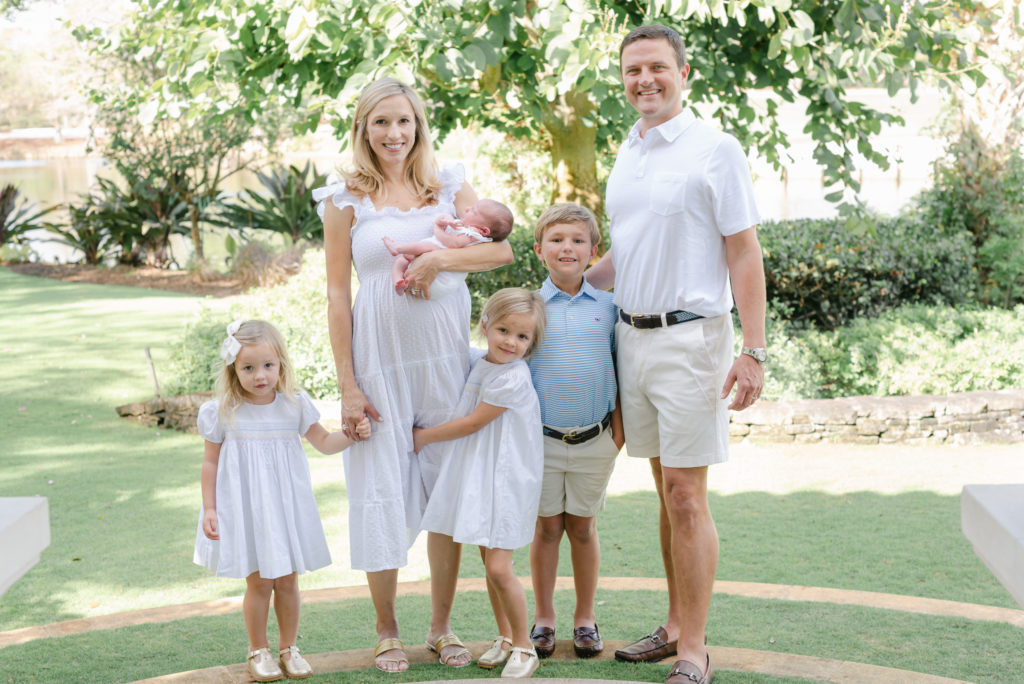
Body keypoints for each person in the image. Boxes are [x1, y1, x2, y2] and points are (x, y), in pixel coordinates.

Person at [313, 76, 514, 673]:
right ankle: (386, 630)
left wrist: (436, 258)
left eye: (404, 121)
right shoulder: (344, 199)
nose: (394, 134)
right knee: (379, 492)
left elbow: (500, 251)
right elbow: (335, 294)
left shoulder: (448, 184)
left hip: (447, 367)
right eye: (381, 123)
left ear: (418, 125)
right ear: (363, 129)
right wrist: (348, 386)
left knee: (446, 498)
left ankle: (443, 628)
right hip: (379, 370)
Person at [586, 24, 767, 684]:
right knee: (666, 495)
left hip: (693, 341)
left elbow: (743, 251)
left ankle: (694, 650)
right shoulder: (627, 153)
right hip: (631, 340)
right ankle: (670, 627)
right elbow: (626, 253)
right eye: (633, 70)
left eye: (658, 68)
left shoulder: (715, 149)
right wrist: (559, 287)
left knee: (687, 497)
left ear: (684, 74)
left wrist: (754, 352)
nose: (645, 80)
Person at [194, 319, 371, 682]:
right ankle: (258, 650)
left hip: (285, 507)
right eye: (248, 368)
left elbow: (324, 443)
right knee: (259, 581)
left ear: (281, 365)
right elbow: (210, 462)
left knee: (288, 580)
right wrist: (210, 508)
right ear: (233, 368)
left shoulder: (294, 405)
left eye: (268, 366)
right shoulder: (223, 411)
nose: (260, 375)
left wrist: (351, 435)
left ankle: (289, 648)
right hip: (247, 510)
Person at [414, 287, 547, 679]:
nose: (511, 342)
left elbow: (473, 423)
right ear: (486, 325)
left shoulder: (513, 376)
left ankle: (525, 645)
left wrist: (423, 436)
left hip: (508, 481)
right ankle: (505, 637)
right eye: (504, 330)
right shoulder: (480, 363)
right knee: (489, 562)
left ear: (532, 342)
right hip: (486, 477)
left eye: (523, 337)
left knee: (501, 567)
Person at [525, 203, 623, 661]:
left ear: (593, 251)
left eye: (578, 240)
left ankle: (585, 618)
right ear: (539, 249)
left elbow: (623, 366)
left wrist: (616, 433)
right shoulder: (527, 308)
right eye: (557, 239)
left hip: (595, 439)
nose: (568, 247)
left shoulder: (610, 306)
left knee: (582, 528)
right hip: (539, 440)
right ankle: (543, 619)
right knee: (546, 528)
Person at [382, 198, 514, 296]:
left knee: (427, 247)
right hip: (424, 272)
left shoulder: (473, 234)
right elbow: (446, 218)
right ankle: (398, 282)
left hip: (440, 278)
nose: (467, 208)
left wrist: (437, 228)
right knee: (401, 261)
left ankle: (397, 248)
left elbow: (453, 243)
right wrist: (445, 219)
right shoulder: (465, 225)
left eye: (473, 211)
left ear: (484, 230)